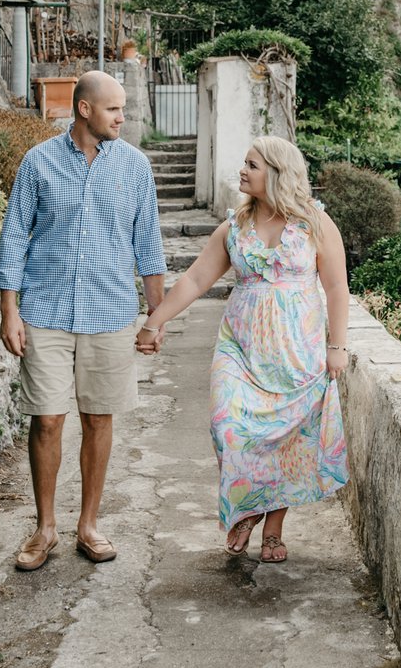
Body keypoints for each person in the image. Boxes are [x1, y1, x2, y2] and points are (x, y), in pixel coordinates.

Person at [135, 135, 349, 563]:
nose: (243, 170)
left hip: (296, 354)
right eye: (245, 162)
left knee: (290, 442)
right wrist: (154, 322)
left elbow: (336, 286)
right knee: (228, 428)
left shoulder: (314, 224)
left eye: (252, 164)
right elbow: (196, 280)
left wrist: (337, 346)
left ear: (276, 171)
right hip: (241, 350)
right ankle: (245, 506)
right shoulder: (234, 228)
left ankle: (272, 529)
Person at [0, 70, 165, 571]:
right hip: (45, 311)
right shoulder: (38, 162)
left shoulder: (135, 167)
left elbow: (149, 245)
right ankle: (45, 527)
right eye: (114, 109)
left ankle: (88, 525)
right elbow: (13, 237)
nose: (122, 116)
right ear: (85, 110)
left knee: (98, 418)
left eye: (123, 108)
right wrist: (9, 308)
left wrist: (156, 317)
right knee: (46, 420)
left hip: (110, 311)